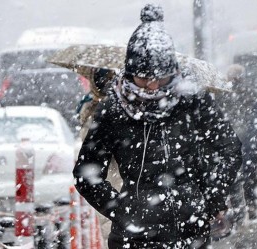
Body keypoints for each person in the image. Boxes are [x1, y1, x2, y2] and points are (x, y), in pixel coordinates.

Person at [73, 4, 242, 249]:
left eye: (160, 79)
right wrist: (122, 210)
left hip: (190, 230)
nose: (152, 87)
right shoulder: (114, 109)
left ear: (173, 72)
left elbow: (229, 148)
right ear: (130, 74)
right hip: (134, 237)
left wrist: (211, 198)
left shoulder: (192, 101)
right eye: (143, 78)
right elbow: (86, 174)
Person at [217, 64, 257, 224]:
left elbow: (219, 113)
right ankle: (250, 203)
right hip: (248, 137)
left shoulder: (222, 93)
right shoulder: (251, 91)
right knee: (249, 172)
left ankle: (238, 211)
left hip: (230, 137)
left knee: (234, 175)